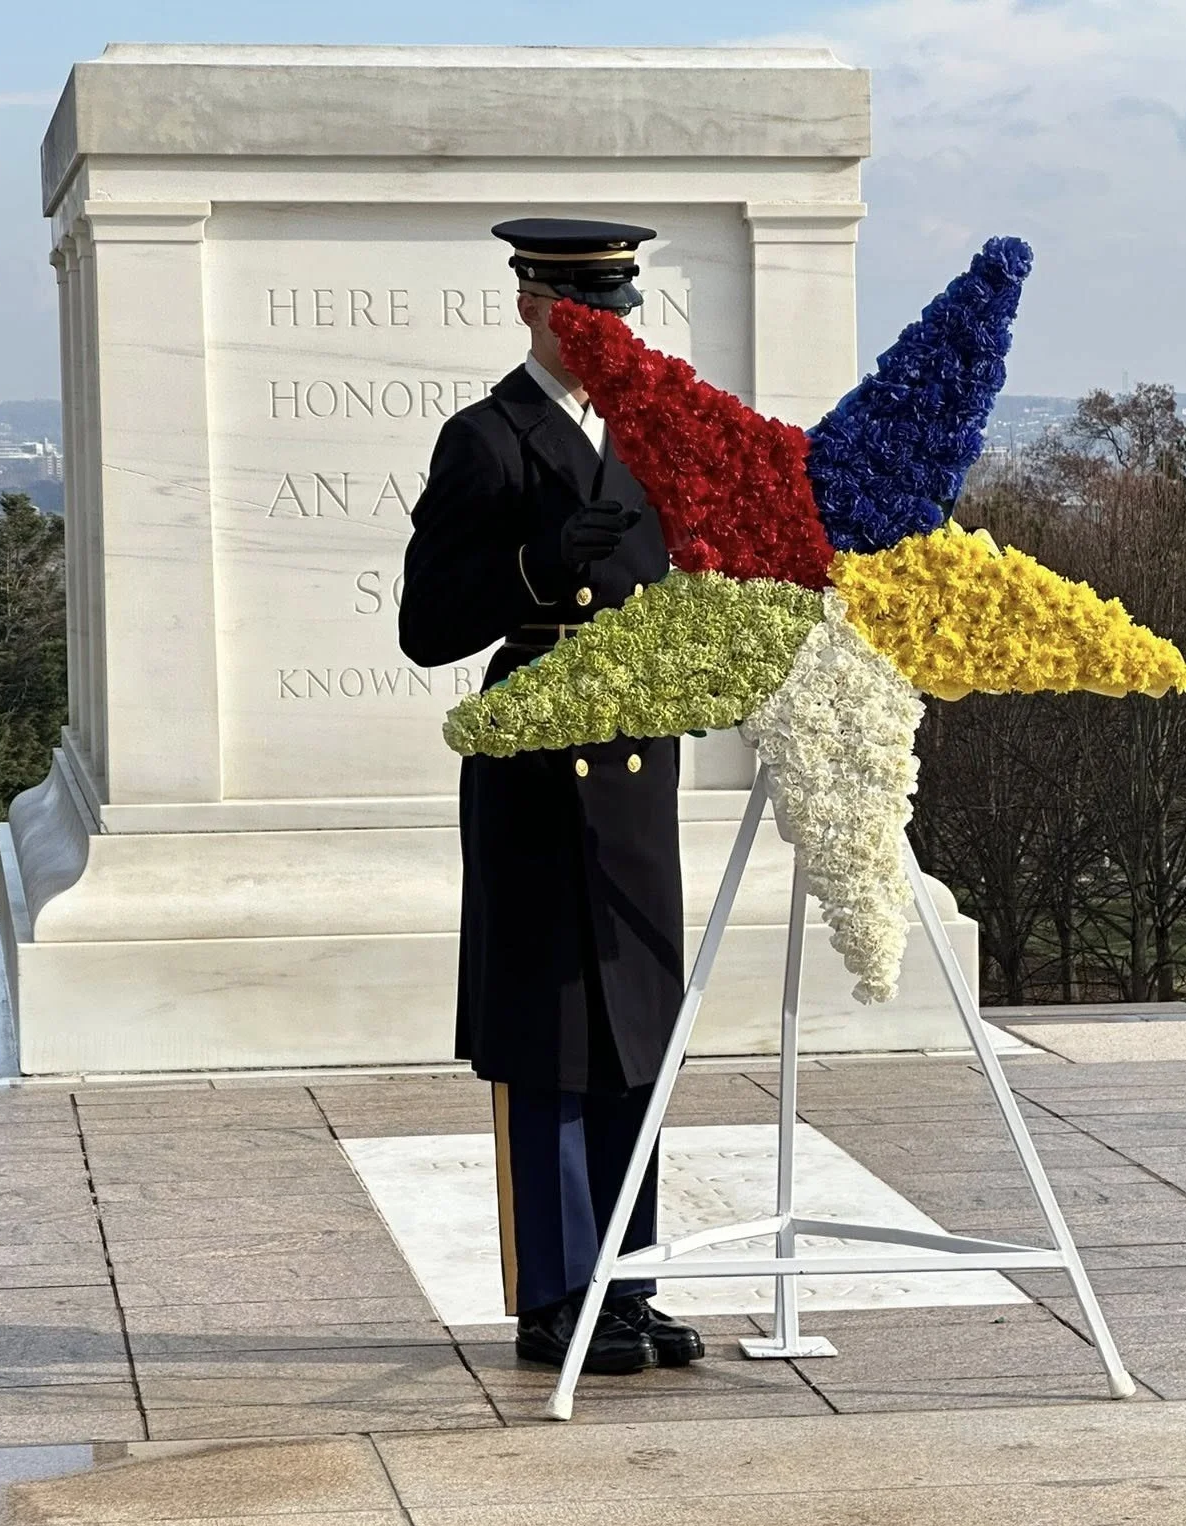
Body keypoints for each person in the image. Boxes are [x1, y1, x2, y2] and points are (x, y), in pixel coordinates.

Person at [398, 218, 703, 1375]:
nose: (599, 332)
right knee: (550, 1035)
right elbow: (427, 625)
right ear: (530, 306)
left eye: (614, 311)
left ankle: (627, 1282)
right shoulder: (485, 440)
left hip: (633, 764)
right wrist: (539, 563)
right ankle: (554, 1294)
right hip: (534, 771)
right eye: (578, 313)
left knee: (636, 1032)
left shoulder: (652, 432)